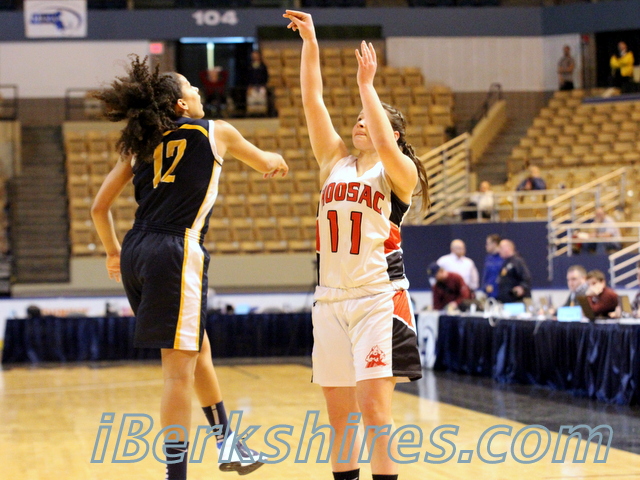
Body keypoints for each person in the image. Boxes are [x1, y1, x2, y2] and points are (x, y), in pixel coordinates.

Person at [91, 55, 288, 480]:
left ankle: (228, 443)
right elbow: (265, 162)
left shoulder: (140, 144)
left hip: (136, 250)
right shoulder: (216, 131)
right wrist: (277, 158)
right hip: (175, 249)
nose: (199, 93)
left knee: (197, 350)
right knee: (176, 373)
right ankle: (175, 474)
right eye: (192, 89)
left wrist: (112, 253)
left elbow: (98, 207)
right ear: (181, 104)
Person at [284, 9, 430, 480]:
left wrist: (368, 86)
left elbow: (385, 145)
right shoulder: (335, 162)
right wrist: (311, 45)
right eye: (359, 119)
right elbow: (313, 101)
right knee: (340, 419)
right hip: (330, 300)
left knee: (374, 412)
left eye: (370, 120)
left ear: (393, 133)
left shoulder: (398, 172)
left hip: (377, 299)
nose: (359, 124)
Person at [496, 239, 532, 303]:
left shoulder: (517, 262)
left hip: (516, 302)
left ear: (508, 248)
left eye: (501, 248)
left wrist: (522, 287)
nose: (499, 250)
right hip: (506, 301)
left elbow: (526, 277)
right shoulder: (505, 263)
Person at [245, 50, 270, 116]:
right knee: (252, 101)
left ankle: (262, 114)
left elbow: (266, 76)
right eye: (253, 56)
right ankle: (252, 114)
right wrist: (249, 86)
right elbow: (247, 77)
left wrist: (264, 85)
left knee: (261, 101)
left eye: (256, 56)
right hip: (252, 86)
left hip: (261, 86)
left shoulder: (263, 66)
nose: (255, 57)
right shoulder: (249, 66)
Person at [481, 234, 502, 299]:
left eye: (488, 244)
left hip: (501, 294)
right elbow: (486, 275)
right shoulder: (488, 258)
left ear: (494, 244)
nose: (486, 246)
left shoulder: (503, 258)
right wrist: (485, 287)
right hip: (489, 294)